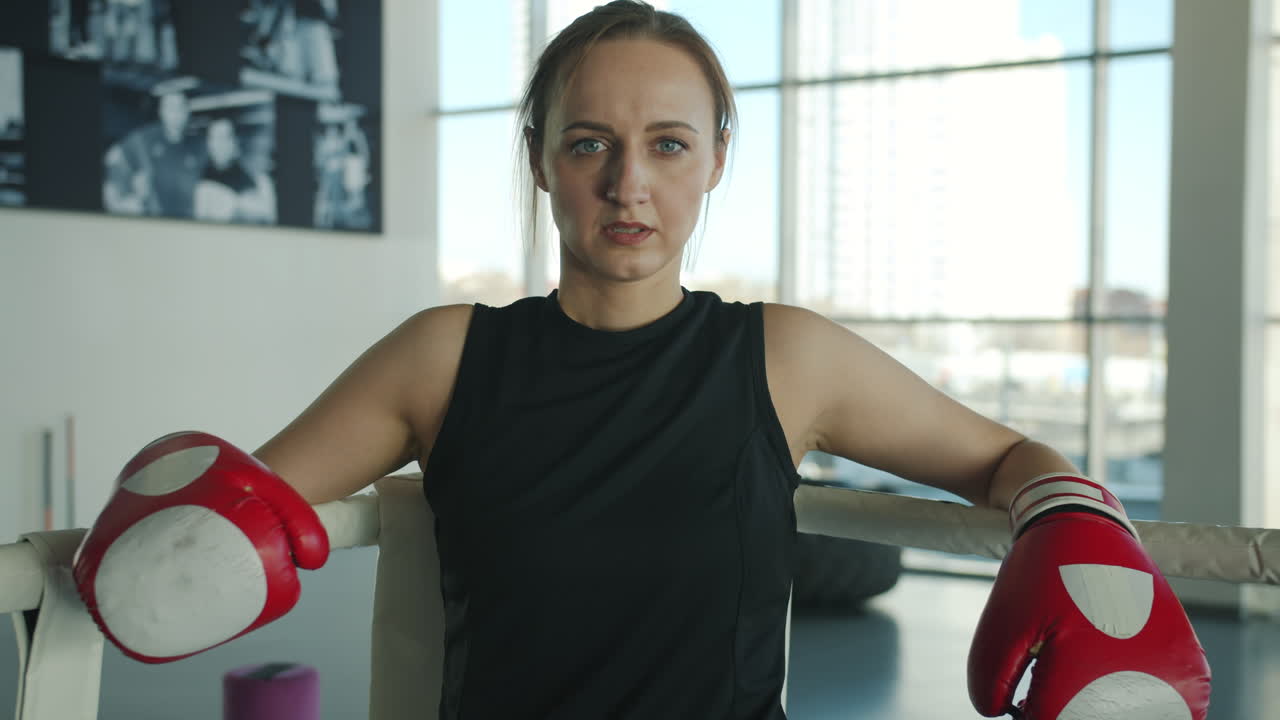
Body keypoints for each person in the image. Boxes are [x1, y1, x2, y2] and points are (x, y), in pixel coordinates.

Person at [73, 2, 1210, 718]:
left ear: (716, 156)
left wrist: (1066, 519)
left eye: (666, 144)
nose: (628, 185)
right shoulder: (442, 355)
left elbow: (1008, 453)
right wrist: (174, 535)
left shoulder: (783, 357)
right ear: (539, 160)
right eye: (590, 144)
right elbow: (236, 514)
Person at [102, 77, 203, 217]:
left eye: (181, 108)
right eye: (171, 108)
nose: (176, 114)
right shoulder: (144, 139)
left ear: (187, 112)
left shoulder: (196, 147)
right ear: (162, 111)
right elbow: (113, 159)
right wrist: (125, 198)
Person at [193, 116, 277, 224]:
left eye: (224, 137)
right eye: (214, 138)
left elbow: (269, 217)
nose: (219, 144)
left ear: (234, 142)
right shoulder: (200, 182)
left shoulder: (258, 181)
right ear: (208, 143)